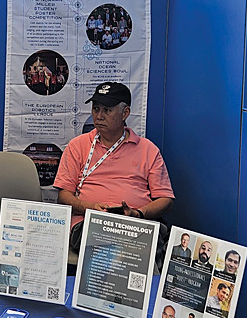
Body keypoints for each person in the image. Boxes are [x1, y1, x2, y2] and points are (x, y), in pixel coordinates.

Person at [53, 81, 174, 250]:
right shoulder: (77, 146)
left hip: (135, 225)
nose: (99, 116)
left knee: (147, 240)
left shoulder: (148, 149)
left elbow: (165, 199)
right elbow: (64, 196)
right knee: (120, 243)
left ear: (125, 113)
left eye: (107, 110)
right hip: (89, 223)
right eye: (96, 109)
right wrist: (88, 207)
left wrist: (138, 214)